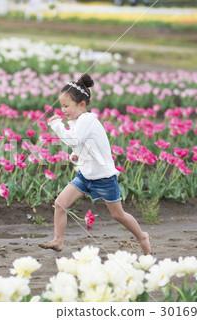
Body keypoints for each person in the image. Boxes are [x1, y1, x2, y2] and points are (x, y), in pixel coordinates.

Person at [38, 74, 152, 255]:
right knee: (60, 204)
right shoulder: (77, 121)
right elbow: (83, 145)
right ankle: (58, 241)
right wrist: (76, 156)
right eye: (62, 106)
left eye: (67, 106)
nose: (63, 110)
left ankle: (142, 236)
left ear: (81, 105)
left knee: (118, 215)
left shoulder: (87, 120)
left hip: (103, 177)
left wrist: (57, 126)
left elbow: (74, 139)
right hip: (85, 175)